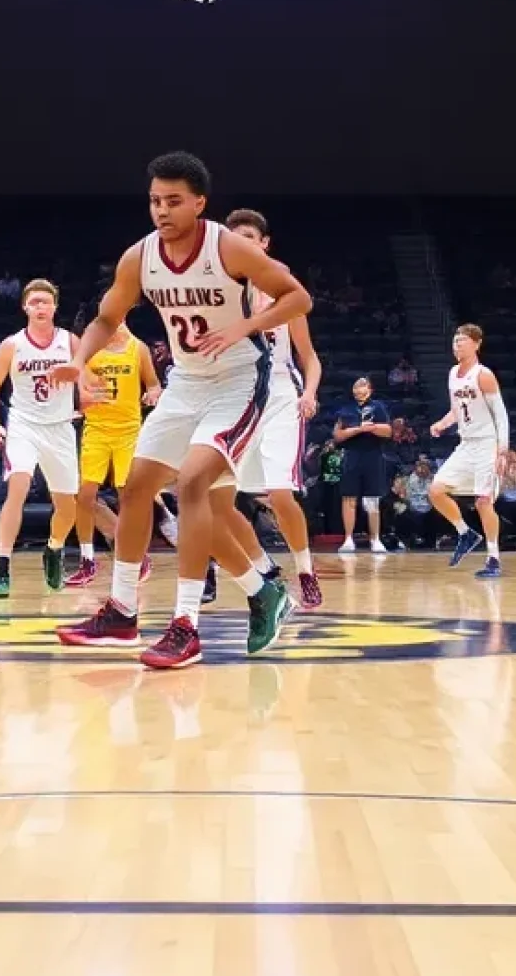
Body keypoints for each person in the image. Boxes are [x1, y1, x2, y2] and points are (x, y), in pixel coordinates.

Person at [53, 151, 307, 670]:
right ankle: (124, 611)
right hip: (187, 381)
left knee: (192, 485)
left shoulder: (228, 246)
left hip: (239, 379)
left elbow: (296, 297)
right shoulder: (138, 258)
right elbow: (106, 318)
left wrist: (243, 327)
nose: (161, 211)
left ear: (199, 203)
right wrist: (79, 361)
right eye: (154, 201)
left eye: (173, 201)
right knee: (136, 487)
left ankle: (186, 626)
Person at [215, 208, 325, 609]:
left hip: (280, 394)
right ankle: (265, 569)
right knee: (219, 501)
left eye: (249, 236)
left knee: (280, 491)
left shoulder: (284, 294)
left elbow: (310, 357)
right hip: (238, 396)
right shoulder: (221, 295)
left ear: (263, 244)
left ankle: (306, 570)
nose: (241, 242)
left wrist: (309, 393)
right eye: (234, 236)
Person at [0, 279, 81, 599]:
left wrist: (87, 402)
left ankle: (53, 549)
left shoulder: (71, 342)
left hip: (61, 428)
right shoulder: (11, 345)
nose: (40, 306)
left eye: (45, 301)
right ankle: (2, 567)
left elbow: (87, 377)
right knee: (18, 487)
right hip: (24, 426)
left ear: (55, 307)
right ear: (25, 307)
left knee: (68, 509)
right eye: (34, 302)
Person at [67, 322, 162, 588]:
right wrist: (83, 400)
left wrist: (153, 395)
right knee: (84, 494)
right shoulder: (90, 351)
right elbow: (80, 394)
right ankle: (87, 561)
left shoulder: (138, 348)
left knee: (127, 496)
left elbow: (154, 385)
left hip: (128, 432)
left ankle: (136, 556)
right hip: (96, 429)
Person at [426, 325, 509, 579]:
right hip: (466, 444)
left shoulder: (483, 375)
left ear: (476, 344)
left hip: (487, 444)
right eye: (454, 341)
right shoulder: (453, 373)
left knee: (483, 501)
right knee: (436, 490)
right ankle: (465, 533)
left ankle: (493, 557)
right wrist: (442, 423)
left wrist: (502, 451)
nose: (456, 346)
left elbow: (501, 415)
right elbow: (456, 410)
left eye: (461, 341)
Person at [333, 376, 392, 554]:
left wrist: (372, 428)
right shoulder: (345, 409)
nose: (359, 389)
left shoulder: (379, 407)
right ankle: (348, 539)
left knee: (372, 499)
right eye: (356, 386)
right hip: (351, 456)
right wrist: (359, 429)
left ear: (370, 389)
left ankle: (375, 539)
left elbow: (388, 431)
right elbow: (338, 435)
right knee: (349, 498)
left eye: (363, 386)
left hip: (373, 456)